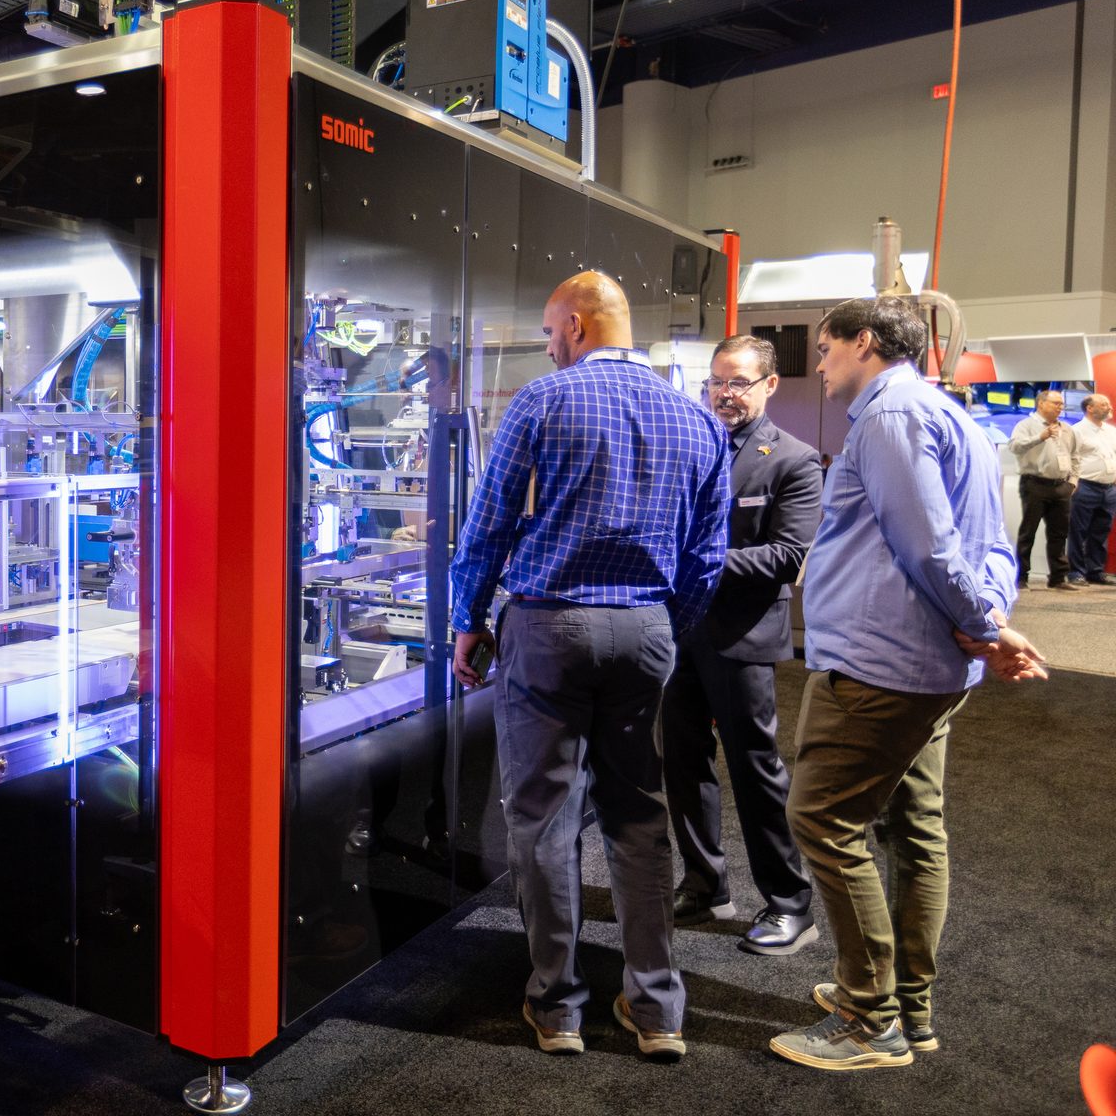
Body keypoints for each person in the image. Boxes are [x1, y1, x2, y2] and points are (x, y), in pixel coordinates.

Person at [449, 272, 728, 1062]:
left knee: (543, 820)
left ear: (575, 324)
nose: (546, 345)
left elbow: (489, 524)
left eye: (547, 331)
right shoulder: (697, 419)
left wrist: (467, 622)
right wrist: (661, 630)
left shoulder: (541, 402)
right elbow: (706, 558)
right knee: (639, 817)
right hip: (645, 628)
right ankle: (658, 1009)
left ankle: (558, 1008)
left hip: (546, 626)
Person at [770, 297, 1047, 1072]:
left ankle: (870, 1020)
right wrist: (986, 620)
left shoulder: (889, 417)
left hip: (878, 664)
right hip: (925, 667)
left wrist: (986, 628)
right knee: (915, 832)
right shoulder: (951, 415)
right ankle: (907, 1009)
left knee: (823, 820)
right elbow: (990, 545)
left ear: (864, 341)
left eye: (826, 348)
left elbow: (925, 547)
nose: (819, 363)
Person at [662, 335, 820, 954]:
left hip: (743, 636)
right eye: (716, 382)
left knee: (756, 771)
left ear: (769, 385)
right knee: (683, 763)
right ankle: (704, 883)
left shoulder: (795, 460)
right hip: (676, 634)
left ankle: (789, 903)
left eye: (738, 383)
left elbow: (787, 556)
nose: (724, 394)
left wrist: (698, 561)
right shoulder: (687, 446)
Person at [1008, 390, 1080, 590]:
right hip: (1035, 484)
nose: (1060, 407)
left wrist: (1073, 481)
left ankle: (1058, 578)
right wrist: (1040, 437)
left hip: (1061, 486)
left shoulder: (1067, 428)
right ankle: (1021, 577)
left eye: (1061, 404)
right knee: (1028, 532)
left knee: (1059, 533)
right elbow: (1014, 446)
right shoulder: (1026, 425)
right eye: (1056, 403)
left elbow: (1074, 456)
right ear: (1041, 403)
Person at [1067, 393, 1116, 585]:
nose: (1109, 407)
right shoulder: (1076, 431)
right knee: (1078, 531)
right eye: (1104, 404)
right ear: (1090, 408)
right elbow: (1069, 458)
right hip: (1085, 486)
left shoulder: (1111, 431)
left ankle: (1095, 571)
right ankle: (1076, 572)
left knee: (1101, 531)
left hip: (1109, 488)